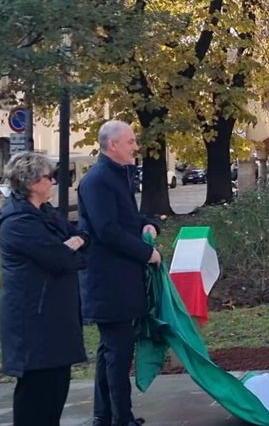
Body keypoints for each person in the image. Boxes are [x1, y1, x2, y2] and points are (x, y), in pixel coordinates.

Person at [79, 121, 162, 426]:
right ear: (112, 145)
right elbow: (107, 230)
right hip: (108, 282)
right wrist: (147, 253)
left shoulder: (115, 176)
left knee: (110, 351)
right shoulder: (98, 180)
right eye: (130, 142)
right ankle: (120, 418)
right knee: (117, 351)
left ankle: (106, 416)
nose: (135, 146)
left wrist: (147, 223)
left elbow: (125, 219)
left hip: (117, 279)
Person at [0, 152, 88, 426]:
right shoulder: (18, 222)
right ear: (33, 182)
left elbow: (81, 239)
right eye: (50, 177)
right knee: (36, 393)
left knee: (56, 386)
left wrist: (73, 244)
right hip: (33, 320)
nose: (53, 182)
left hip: (54, 316)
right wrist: (71, 246)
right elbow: (60, 258)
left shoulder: (45, 212)